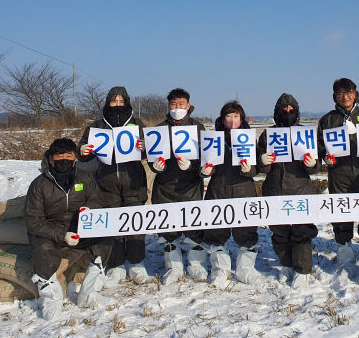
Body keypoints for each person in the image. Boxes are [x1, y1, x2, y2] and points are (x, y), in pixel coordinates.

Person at [25, 138, 113, 320]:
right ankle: (51, 299)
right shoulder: (39, 184)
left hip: (79, 228)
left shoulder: (85, 178)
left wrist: (90, 210)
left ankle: (89, 294)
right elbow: (34, 221)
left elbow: (98, 201)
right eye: (59, 156)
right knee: (43, 250)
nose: (64, 160)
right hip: (50, 231)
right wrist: (61, 235)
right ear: (51, 159)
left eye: (68, 156)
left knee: (105, 240)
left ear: (75, 159)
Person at [77, 86, 149, 285]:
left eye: (121, 101)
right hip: (106, 183)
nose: (117, 104)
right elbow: (83, 152)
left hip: (134, 182)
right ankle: (116, 264)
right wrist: (83, 149)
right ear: (107, 103)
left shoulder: (136, 123)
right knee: (113, 224)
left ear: (127, 103)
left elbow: (149, 150)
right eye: (113, 101)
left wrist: (144, 148)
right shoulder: (97, 126)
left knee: (136, 223)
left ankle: (136, 262)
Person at [316, 78, 359, 276]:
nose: (345, 97)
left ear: (355, 94)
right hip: (340, 175)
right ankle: (345, 260)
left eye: (349, 93)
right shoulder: (328, 120)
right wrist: (326, 158)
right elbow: (320, 147)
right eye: (340, 94)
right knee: (341, 214)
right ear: (334, 97)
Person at [257, 93, 320, 288]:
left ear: (297, 112)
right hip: (274, 188)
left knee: (302, 230)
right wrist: (263, 161)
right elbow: (260, 166)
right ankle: (286, 264)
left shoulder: (305, 134)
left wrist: (312, 164)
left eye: (291, 109)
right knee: (280, 231)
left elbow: (316, 167)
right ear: (277, 112)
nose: (287, 112)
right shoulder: (268, 134)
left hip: (300, 188)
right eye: (283, 110)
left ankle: (302, 269)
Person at [150, 88, 208, 284]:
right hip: (164, 186)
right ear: (168, 106)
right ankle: (173, 267)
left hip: (190, 186)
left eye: (181, 104)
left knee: (194, 226)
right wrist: (155, 166)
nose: (177, 108)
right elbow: (152, 157)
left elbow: (206, 157)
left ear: (188, 106)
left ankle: (196, 265)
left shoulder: (198, 128)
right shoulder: (159, 129)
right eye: (173, 104)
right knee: (168, 230)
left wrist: (193, 166)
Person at [202, 101, 259, 286]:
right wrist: (204, 171)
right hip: (218, 189)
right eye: (229, 116)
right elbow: (203, 165)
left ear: (241, 118)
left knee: (246, 233)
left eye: (236, 116)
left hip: (244, 190)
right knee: (217, 232)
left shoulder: (249, 138)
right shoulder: (213, 138)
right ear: (222, 118)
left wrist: (249, 169)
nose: (232, 120)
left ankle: (245, 270)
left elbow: (257, 168)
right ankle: (220, 270)